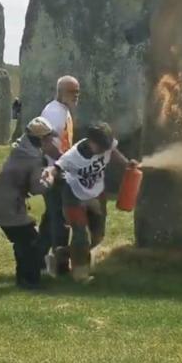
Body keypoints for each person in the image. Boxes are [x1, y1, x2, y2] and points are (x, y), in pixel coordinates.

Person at [54, 121, 139, 282]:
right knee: (80, 236)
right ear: (90, 141)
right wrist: (49, 175)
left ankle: (62, 254)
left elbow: (113, 151)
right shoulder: (72, 156)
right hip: (74, 195)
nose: (104, 150)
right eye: (101, 147)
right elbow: (56, 167)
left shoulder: (106, 144)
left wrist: (127, 163)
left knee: (97, 238)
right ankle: (80, 274)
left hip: (97, 193)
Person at [0, 117, 56, 290]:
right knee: (29, 242)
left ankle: (25, 278)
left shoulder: (21, 150)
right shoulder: (33, 159)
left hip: (0, 201)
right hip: (7, 206)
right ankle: (29, 281)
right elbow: (37, 188)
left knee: (24, 240)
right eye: (48, 137)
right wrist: (51, 176)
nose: (51, 140)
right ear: (40, 139)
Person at [37, 76, 80, 276]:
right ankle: (61, 267)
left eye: (77, 92)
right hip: (54, 171)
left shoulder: (64, 111)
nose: (76, 96)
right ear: (61, 92)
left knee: (51, 219)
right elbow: (47, 143)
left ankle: (36, 260)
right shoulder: (54, 112)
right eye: (73, 92)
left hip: (59, 171)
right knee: (61, 219)